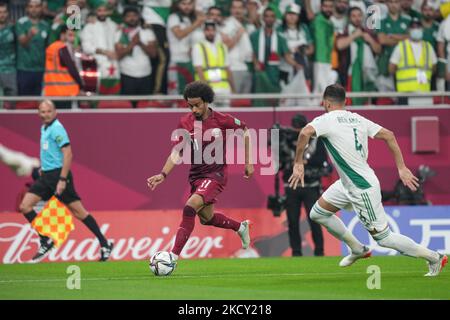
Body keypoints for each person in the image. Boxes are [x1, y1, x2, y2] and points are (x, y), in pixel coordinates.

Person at [289, 84, 448, 276]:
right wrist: (401, 168)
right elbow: (388, 135)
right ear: (346, 102)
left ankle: (435, 257)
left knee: (384, 238)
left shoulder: (326, 119)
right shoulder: (357, 118)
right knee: (318, 213)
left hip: (361, 186)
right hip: (348, 182)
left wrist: (298, 163)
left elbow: (304, 132)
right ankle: (357, 249)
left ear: (326, 103)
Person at [147, 81, 253, 263]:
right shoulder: (185, 122)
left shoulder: (222, 119)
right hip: (196, 176)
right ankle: (240, 227)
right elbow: (177, 151)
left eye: (197, 105)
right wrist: (162, 174)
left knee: (190, 207)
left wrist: (248, 162)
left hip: (216, 175)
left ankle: (172, 257)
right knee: (207, 218)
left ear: (206, 102)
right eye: (190, 106)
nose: (193, 109)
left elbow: (245, 130)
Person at [18, 100, 113, 263]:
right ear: (38, 113)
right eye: (42, 112)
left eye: (48, 111)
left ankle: (105, 244)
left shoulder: (57, 128)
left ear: (55, 112)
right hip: (46, 175)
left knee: (79, 212)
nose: (45, 114)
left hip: (58, 176)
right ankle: (45, 239)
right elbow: (50, 152)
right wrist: (44, 168)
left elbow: (68, 154)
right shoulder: (44, 127)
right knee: (25, 206)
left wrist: (62, 179)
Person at [282, 114, 326, 257]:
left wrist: (303, 162)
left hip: (311, 185)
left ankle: (319, 251)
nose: (297, 132)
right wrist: (279, 139)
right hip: (292, 186)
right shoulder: (286, 140)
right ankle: (296, 252)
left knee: (314, 219)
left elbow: (321, 160)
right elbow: (279, 161)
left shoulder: (315, 140)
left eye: (299, 129)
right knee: (292, 221)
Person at [336, 6, 381, 105]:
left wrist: (370, 40)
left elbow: (378, 50)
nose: (357, 18)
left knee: (366, 105)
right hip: (349, 74)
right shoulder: (345, 31)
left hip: (366, 75)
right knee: (349, 104)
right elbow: (339, 45)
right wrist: (354, 35)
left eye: (359, 16)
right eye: (354, 16)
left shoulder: (368, 32)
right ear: (349, 18)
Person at [389, 17, 437, 106]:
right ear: (409, 30)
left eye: (418, 27)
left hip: (424, 92)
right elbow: (391, 68)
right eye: (413, 27)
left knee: (424, 118)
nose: (416, 30)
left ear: (422, 29)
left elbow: (434, 68)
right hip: (405, 93)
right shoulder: (401, 46)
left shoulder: (428, 47)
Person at [115, 6, 157, 105]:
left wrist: (141, 43)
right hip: (127, 74)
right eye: (128, 16)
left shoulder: (147, 32)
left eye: (134, 15)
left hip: (146, 74)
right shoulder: (119, 33)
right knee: (128, 107)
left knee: (144, 107)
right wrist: (133, 43)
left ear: (138, 17)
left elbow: (153, 54)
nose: (132, 18)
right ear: (124, 18)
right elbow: (119, 55)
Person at [192, 21, 235, 107]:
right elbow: (199, 70)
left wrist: (233, 89)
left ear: (216, 31)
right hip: (208, 88)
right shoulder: (198, 47)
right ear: (204, 32)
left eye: (212, 30)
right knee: (209, 117)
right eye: (208, 30)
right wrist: (206, 90)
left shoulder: (223, 47)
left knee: (226, 117)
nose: (210, 32)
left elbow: (227, 69)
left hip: (224, 88)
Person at [43, 26, 84, 108]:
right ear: (62, 35)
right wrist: (81, 85)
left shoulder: (51, 47)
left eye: (74, 36)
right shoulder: (63, 48)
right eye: (70, 35)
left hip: (51, 91)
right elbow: (72, 69)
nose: (72, 39)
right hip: (67, 92)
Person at [16, 0, 50, 96]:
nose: (34, 9)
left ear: (41, 8)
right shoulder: (21, 23)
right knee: (24, 102)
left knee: (40, 101)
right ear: (27, 8)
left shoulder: (46, 25)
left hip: (41, 69)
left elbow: (48, 47)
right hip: (24, 69)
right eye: (31, 6)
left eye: (37, 6)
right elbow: (22, 42)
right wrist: (30, 35)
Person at [0, 2, 17, 107]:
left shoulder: (14, 28)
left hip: (10, 69)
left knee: (11, 101)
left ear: (8, 13)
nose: (2, 15)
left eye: (4, 12)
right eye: (0, 12)